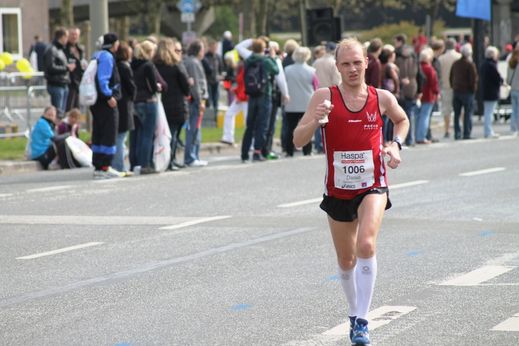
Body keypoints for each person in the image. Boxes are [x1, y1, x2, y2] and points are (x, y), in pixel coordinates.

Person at [293, 37, 409, 346]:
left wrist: (395, 145)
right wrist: (316, 121)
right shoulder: (324, 96)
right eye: (346, 64)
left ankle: (362, 321)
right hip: (338, 189)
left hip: (373, 184)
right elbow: (297, 140)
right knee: (346, 261)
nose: (353, 68)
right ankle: (352, 311)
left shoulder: (380, 97)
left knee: (366, 245)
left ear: (367, 63)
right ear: (337, 67)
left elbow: (402, 120)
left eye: (357, 62)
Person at [236, 38, 279, 162]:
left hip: (251, 94)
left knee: (250, 125)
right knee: (262, 124)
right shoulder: (265, 61)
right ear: (263, 49)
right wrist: (272, 57)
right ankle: (257, 151)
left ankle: (244, 153)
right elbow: (275, 70)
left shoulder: (248, 60)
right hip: (265, 94)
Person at [154, 38, 190, 171]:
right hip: (176, 104)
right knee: (173, 135)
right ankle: (170, 160)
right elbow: (185, 86)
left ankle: (162, 159)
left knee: (160, 135)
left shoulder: (154, 65)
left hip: (160, 104)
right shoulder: (176, 65)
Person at [90, 33, 123, 179]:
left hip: (96, 102)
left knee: (98, 132)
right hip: (105, 102)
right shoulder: (107, 57)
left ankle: (98, 166)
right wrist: (109, 96)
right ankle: (105, 167)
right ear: (114, 44)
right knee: (109, 133)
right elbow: (103, 79)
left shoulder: (96, 55)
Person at [130, 40, 165, 174]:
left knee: (135, 134)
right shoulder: (148, 66)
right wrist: (158, 87)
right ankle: (145, 164)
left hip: (135, 102)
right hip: (148, 101)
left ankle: (135, 163)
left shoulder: (132, 65)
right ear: (149, 52)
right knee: (147, 134)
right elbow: (152, 86)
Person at [284, 46, 318, 157]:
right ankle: (307, 150)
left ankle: (289, 150)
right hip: (306, 103)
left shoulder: (287, 70)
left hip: (291, 103)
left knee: (290, 128)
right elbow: (316, 86)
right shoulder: (312, 71)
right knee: (307, 128)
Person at [183, 39, 209, 167]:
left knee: (194, 130)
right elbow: (197, 85)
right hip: (195, 102)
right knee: (193, 130)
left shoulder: (191, 61)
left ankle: (194, 155)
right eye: (202, 49)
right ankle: (191, 157)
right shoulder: (193, 63)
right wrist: (200, 101)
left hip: (194, 101)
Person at [313, 41, 342, 153]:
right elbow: (336, 81)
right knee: (331, 121)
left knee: (319, 118)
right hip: (331, 93)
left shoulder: (316, 62)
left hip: (318, 92)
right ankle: (328, 143)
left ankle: (318, 144)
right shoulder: (333, 63)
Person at [112, 41, 136, 173]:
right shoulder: (125, 67)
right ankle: (119, 166)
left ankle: (116, 164)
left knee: (118, 137)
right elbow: (131, 87)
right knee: (121, 138)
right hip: (125, 104)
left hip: (118, 103)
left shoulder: (115, 66)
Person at [394, 33, 421, 146]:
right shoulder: (413, 56)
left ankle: (398, 139)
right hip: (412, 86)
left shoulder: (396, 56)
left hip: (399, 87)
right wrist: (419, 90)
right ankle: (410, 139)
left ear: (399, 41)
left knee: (396, 116)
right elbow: (420, 74)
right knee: (409, 114)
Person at [43, 27, 75, 118]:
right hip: (56, 85)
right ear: (62, 37)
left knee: (62, 113)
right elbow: (50, 67)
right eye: (67, 36)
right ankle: (56, 131)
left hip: (63, 83)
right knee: (57, 113)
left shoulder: (60, 49)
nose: (67, 39)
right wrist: (66, 68)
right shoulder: (52, 49)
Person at [450, 43, 478, 140]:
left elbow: (451, 76)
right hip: (467, 92)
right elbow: (473, 79)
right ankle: (466, 133)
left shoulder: (456, 63)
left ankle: (457, 133)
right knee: (467, 113)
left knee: (456, 114)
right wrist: (473, 90)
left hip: (457, 91)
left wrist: (453, 86)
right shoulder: (470, 64)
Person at [438, 38, 461, 138]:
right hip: (458, 86)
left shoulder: (441, 58)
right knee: (459, 109)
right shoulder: (459, 56)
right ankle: (459, 127)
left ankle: (447, 129)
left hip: (445, 86)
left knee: (446, 110)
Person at [480, 46, 503, 139]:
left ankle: (488, 131)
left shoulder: (483, 64)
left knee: (487, 112)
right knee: (489, 112)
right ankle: (488, 131)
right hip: (492, 91)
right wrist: (501, 81)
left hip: (485, 90)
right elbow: (497, 78)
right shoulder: (492, 65)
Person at [64, 27, 86, 111]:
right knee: (68, 108)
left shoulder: (80, 49)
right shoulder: (64, 49)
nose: (74, 37)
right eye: (72, 34)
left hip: (79, 83)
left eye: (76, 35)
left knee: (78, 110)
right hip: (69, 82)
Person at [203, 39, 224, 117]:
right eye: (213, 47)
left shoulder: (218, 57)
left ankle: (215, 116)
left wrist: (221, 76)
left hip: (216, 81)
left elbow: (221, 69)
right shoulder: (205, 57)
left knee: (216, 100)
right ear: (209, 47)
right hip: (208, 81)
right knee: (209, 100)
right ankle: (209, 116)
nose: (214, 49)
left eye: (215, 47)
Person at [508, 42, 519, 136]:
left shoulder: (511, 62)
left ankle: (513, 126)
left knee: (514, 109)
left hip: (513, 88)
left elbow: (508, 77)